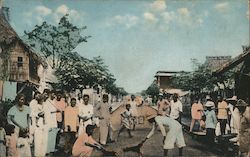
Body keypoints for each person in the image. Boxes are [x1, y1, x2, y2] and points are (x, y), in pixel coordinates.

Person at [43, 89, 59, 154]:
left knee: (53, 134)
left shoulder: (53, 101)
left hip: (53, 120)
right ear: (50, 94)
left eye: (55, 94)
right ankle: (47, 149)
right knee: (48, 135)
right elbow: (48, 112)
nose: (54, 95)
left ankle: (52, 148)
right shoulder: (47, 101)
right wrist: (56, 111)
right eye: (53, 94)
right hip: (48, 120)